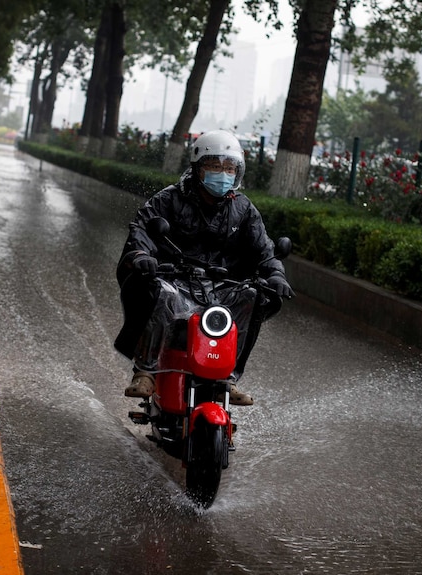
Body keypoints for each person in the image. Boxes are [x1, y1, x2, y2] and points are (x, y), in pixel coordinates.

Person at [114, 130, 294, 406]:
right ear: (198, 168)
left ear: (238, 172)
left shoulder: (244, 209)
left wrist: (276, 274)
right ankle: (146, 371)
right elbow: (142, 229)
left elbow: (264, 250)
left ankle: (227, 377)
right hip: (174, 280)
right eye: (214, 166)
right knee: (161, 292)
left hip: (223, 288)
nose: (222, 173)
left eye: (229, 168)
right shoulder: (168, 199)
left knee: (252, 297)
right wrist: (141, 255)